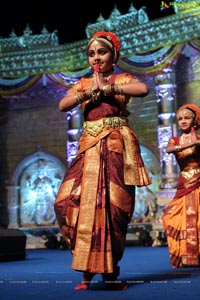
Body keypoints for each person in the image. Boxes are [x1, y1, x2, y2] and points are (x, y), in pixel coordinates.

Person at [54, 31, 152, 291]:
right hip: (89, 147)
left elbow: (142, 89)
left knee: (114, 208)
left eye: (102, 52)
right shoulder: (83, 84)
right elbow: (63, 105)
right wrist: (89, 93)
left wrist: (107, 88)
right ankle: (85, 267)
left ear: (113, 55)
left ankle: (109, 274)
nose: (96, 57)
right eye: (92, 53)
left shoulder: (122, 78)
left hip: (116, 147)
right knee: (65, 202)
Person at [162, 103, 200, 268]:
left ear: (194, 120)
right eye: (180, 119)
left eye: (187, 118)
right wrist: (191, 144)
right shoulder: (174, 140)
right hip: (184, 182)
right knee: (171, 216)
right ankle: (183, 256)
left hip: (199, 180)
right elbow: (169, 149)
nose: (183, 121)